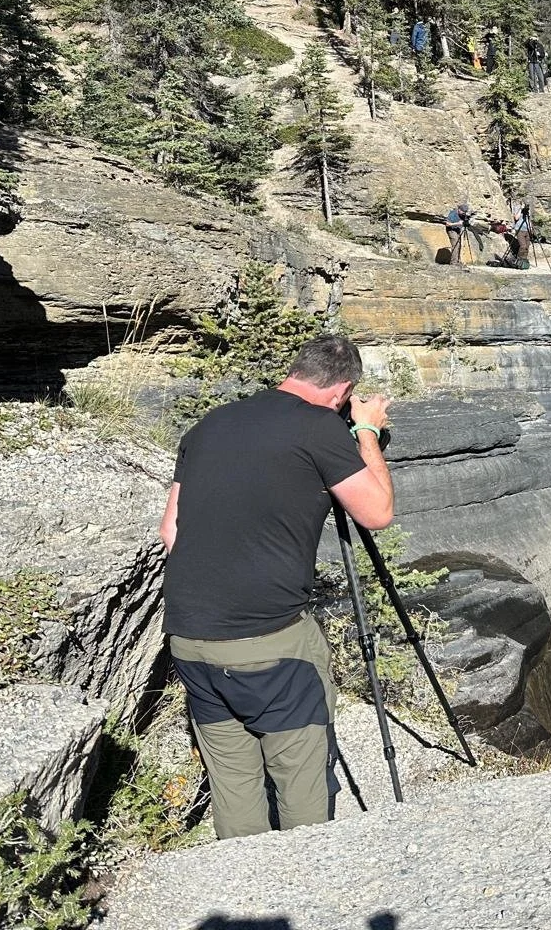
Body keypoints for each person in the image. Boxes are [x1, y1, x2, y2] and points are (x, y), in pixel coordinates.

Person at [157, 335, 393, 840]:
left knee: (235, 786)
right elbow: (378, 513)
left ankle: (244, 897)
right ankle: (299, 895)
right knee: (301, 781)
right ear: (342, 391)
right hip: (272, 645)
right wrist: (367, 432)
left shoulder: (210, 424)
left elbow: (170, 531)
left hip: (189, 637)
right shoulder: (320, 428)